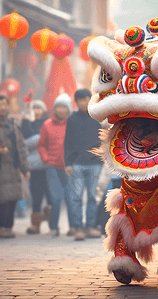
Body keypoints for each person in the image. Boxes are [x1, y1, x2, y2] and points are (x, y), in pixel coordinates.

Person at [0, 95, 30, 238]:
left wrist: (25, 167)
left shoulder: (11, 123)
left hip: (14, 166)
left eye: (5, 104)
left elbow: (21, 146)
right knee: (1, 197)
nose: (3, 108)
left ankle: (8, 226)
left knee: (13, 197)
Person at [64, 89, 103, 240]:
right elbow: (67, 143)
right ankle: (78, 228)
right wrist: (68, 163)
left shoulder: (98, 118)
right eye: (80, 99)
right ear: (76, 101)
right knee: (76, 197)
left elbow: (104, 140)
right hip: (77, 164)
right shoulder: (72, 119)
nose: (83, 102)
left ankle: (91, 227)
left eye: (86, 99)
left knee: (93, 196)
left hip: (96, 164)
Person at [37, 93, 72, 237]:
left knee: (71, 198)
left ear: (68, 109)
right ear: (54, 109)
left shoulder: (72, 124)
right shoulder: (47, 124)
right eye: (58, 106)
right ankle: (53, 227)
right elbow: (41, 145)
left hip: (69, 168)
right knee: (55, 198)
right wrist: (46, 158)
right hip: (52, 167)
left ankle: (74, 227)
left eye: (64, 107)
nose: (61, 110)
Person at [22, 100, 51, 235]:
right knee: (36, 196)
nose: (37, 111)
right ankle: (35, 224)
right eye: (34, 108)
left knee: (51, 195)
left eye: (39, 108)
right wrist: (40, 138)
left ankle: (53, 223)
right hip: (34, 167)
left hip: (49, 165)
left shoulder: (49, 122)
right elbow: (23, 143)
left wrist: (35, 140)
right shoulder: (27, 124)